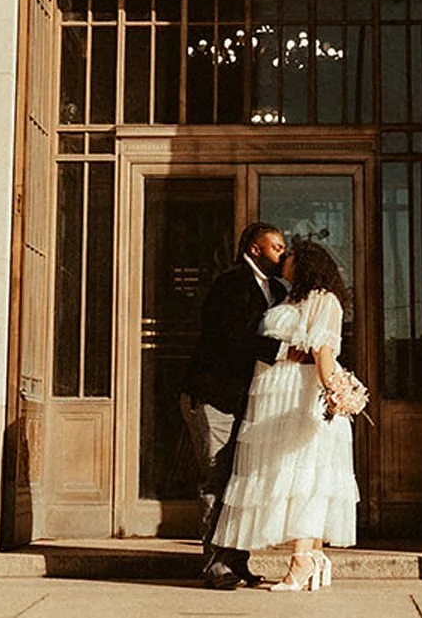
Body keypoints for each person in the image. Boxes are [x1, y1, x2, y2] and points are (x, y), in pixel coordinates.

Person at [211, 238, 360, 593]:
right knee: (283, 475)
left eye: (289, 253)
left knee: (304, 475)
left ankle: (302, 560)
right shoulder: (288, 296)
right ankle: (313, 558)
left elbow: (323, 352)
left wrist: (335, 391)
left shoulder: (324, 300)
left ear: (305, 262)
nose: (284, 259)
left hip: (299, 396)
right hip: (272, 397)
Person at [184, 221, 290, 589]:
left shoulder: (278, 290)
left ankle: (238, 559)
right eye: (276, 246)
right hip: (214, 395)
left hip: (251, 400)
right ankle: (215, 564)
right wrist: (283, 351)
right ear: (254, 249)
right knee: (216, 478)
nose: (283, 253)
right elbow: (231, 337)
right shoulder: (229, 284)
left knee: (242, 479)